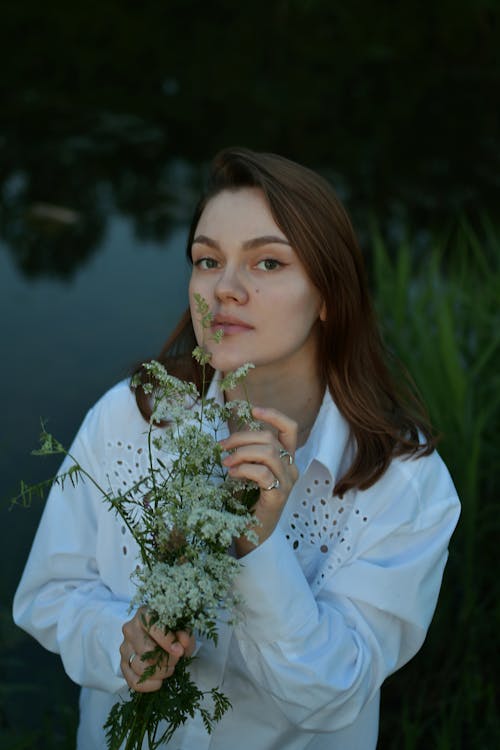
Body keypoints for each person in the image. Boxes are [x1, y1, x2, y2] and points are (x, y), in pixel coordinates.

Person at [13, 147, 460, 750]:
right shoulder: (132, 415)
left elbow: (338, 694)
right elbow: (49, 594)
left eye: (268, 263)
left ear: (328, 294)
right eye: (207, 260)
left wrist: (257, 544)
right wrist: (117, 641)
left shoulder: (404, 484)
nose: (225, 289)